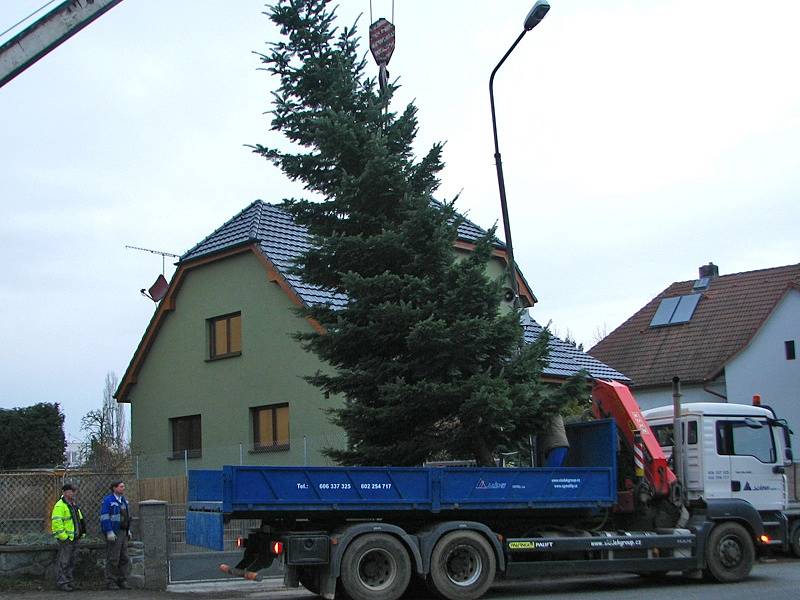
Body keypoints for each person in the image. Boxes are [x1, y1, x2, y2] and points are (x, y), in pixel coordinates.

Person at [51, 482, 86, 592]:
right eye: (72, 491)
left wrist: (82, 532)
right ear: (65, 492)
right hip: (67, 539)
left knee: (71, 561)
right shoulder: (60, 506)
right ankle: (62, 583)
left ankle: (69, 582)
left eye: (74, 491)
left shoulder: (73, 505)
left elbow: (80, 520)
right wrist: (64, 537)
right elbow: (57, 522)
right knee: (64, 561)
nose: (74, 493)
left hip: (73, 538)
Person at [100, 480, 132, 590]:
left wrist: (128, 530)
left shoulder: (124, 501)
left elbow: (127, 517)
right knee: (113, 558)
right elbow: (104, 517)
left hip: (123, 532)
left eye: (123, 486)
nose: (123, 488)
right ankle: (111, 581)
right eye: (121, 486)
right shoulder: (108, 501)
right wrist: (109, 531)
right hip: (114, 532)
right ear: (114, 488)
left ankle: (122, 580)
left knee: (124, 558)